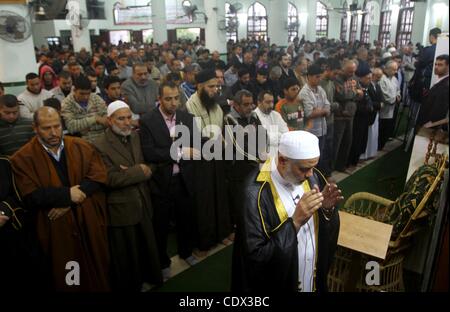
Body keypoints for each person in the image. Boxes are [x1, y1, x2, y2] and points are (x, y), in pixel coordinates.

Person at [11, 107, 110, 291]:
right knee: (68, 276)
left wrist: (69, 201)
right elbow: (30, 195)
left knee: (97, 270)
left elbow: (98, 177)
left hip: (87, 224)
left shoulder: (81, 146)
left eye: (57, 126)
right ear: (35, 128)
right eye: (47, 128)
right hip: (55, 231)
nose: (54, 132)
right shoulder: (22, 158)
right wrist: (66, 196)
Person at [231, 130, 342, 292]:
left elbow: (323, 234)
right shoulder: (254, 192)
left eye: (314, 167)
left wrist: (326, 210)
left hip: (310, 276)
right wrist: (295, 223)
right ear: (283, 161)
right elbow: (256, 258)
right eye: (304, 169)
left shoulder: (312, 176)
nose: (311, 174)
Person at [93, 101, 162, 292]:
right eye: (121, 118)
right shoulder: (99, 145)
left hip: (143, 201)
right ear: (109, 120)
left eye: (129, 117)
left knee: (146, 247)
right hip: (121, 208)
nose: (126, 122)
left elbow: (152, 163)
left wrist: (132, 172)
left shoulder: (136, 137)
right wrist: (138, 172)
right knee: (127, 255)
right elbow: (109, 178)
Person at [140, 82, 199, 281]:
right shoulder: (148, 120)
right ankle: (163, 262)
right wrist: (181, 152)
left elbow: (196, 144)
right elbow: (150, 152)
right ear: (159, 98)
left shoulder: (187, 118)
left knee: (186, 220)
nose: (173, 103)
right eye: (168, 99)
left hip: (184, 179)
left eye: (176, 98)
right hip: (161, 182)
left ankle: (186, 252)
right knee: (161, 226)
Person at [186, 68, 232, 255]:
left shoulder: (215, 105)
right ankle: (205, 240)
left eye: (217, 86)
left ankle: (222, 233)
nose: (215, 90)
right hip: (201, 159)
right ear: (199, 86)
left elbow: (220, 129)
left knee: (220, 195)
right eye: (211, 86)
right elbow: (195, 135)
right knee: (205, 201)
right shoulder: (190, 105)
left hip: (217, 156)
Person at [224, 90, 267, 233]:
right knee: (239, 200)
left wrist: (262, 151)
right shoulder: (229, 120)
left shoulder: (253, 116)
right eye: (246, 104)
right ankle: (238, 226)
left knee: (253, 197)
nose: (250, 107)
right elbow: (238, 146)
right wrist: (258, 157)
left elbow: (263, 134)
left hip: (254, 166)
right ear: (236, 105)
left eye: (251, 104)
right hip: (237, 169)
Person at [300, 64, 331, 173]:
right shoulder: (304, 92)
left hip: (322, 129)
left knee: (321, 156)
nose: (319, 79)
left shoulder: (321, 89)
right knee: (311, 159)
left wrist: (319, 110)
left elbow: (328, 105)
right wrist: (322, 111)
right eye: (317, 77)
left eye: (320, 76)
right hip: (311, 131)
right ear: (309, 76)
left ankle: (320, 178)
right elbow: (309, 113)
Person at [61, 76, 108, 143]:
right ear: (74, 90)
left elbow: (107, 121)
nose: (85, 97)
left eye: (88, 93)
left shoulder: (96, 98)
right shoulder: (66, 103)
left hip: (103, 139)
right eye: (82, 93)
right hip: (81, 142)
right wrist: (95, 119)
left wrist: (83, 126)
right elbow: (71, 127)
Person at [416, 54, 449, 130]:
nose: (436, 67)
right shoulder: (441, 82)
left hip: (428, 127)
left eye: (440, 65)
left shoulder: (446, 86)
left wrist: (426, 126)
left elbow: (439, 112)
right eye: (436, 64)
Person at [254, 90, 289, 157]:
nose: (271, 105)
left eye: (272, 102)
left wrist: (270, 137)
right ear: (259, 102)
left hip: (279, 155)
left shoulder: (276, 115)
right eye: (268, 102)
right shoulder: (254, 117)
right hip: (264, 158)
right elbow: (263, 139)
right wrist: (278, 135)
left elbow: (286, 135)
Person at [378, 60, 401, 150]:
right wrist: (395, 98)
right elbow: (384, 95)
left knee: (388, 128)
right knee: (382, 129)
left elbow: (398, 90)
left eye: (396, 70)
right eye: (394, 70)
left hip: (393, 107)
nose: (395, 72)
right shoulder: (382, 79)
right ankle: (379, 146)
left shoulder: (394, 79)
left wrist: (398, 95)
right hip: (384, 109)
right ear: (387, 69)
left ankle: (383, 143)